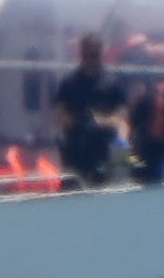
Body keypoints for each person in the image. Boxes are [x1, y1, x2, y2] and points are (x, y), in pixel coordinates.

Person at [50, 33, 129, 184]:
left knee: (118, 151)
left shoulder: (112, 81)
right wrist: (76, 122)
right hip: (77, 139)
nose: (92, 60)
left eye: (95, 55)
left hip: (105, 138)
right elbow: (60, 112)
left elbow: (122, 113)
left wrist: (104, 121)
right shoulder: (69, 82)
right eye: (88, 55)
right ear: (81, 54)